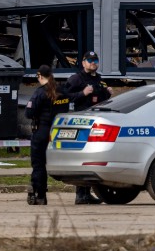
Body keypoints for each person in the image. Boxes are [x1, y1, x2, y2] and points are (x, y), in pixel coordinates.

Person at [63, 51, 112, 205]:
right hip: (81, 122)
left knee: (91, 159)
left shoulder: (98, 79)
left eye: (95, 60)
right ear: (83, 62)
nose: (93, 63)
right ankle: (80, 194)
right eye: (90, 60)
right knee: (82, 157)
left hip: (95, 122)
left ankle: (86, 193)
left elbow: (99, 100)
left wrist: (107, 94)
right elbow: (64, 97)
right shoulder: (76, 79)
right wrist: (82, 93)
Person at [24, 65, 68, 205]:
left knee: (38, 164)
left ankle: (40, 194)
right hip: (58, 131)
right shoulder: (62, 91)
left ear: (40, 76)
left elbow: (29, 113)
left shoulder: (40, 92)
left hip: (42, 131)